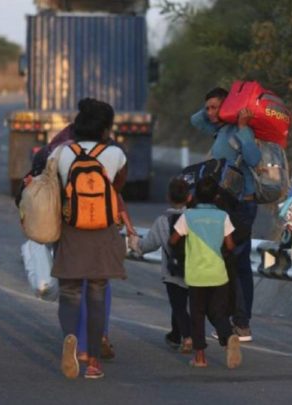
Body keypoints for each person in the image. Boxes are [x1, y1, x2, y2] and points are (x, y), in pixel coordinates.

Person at [53, 98, 127, 380]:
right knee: (97, 292)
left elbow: (54, 189)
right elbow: (118, 189)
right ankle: (94, 360)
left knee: (70, 292)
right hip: (103, 231)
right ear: (105, 128)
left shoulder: (61, 153)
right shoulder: (115, 155)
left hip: (71, 230)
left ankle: (71, 342)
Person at [190, 87, 261, 342]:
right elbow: (194, 120)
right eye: (208, 107)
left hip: (241, 204)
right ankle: (241, 322)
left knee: (234, 263)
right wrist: (223, 109)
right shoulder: (220, 129)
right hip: (229, 204)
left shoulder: (237, 131)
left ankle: (240, 323)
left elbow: (253, 158)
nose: (209, 113)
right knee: (240, 265)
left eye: (214, 107)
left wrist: (241, 124)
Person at [169, 177, 242, 368]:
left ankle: (200, 357)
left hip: (196, 274)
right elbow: (230, 244)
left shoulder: (188, 216)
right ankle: (229, 337)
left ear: (194, 195)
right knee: (218, 313)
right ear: (216, 196)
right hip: (218, 273)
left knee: (198, 315)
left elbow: (173, 239)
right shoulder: (223, 216)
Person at [129, 178, 193, 353]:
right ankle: (175, 335)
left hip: (173, 271)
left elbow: (148, 245)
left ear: (168, 197)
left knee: (178, 305)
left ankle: (187, 336)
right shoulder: (195, 218)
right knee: (187, 306)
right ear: (189, 197)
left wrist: (135, 243)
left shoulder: (162, 221)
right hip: (196, 270)